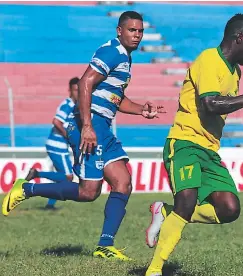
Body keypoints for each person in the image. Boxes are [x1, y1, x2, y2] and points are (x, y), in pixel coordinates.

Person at [2, 11, 165, 261]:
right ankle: (28, 188)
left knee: (123, 182)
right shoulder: (112, 51)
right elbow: (84, 83)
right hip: (90, 125)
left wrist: (141, 109)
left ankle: (104, 245)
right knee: (89, 191)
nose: (137, 35)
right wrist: (87, 125)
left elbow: (115, 98)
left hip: (103, 126)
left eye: (140, 31)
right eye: (132, 30)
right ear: (119, 31)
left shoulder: (125, 57)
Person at [143, 13, 243, 276]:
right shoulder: (209, 60)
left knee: (229, 209)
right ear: (239, 38)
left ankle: (166, 213)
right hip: (184, 142)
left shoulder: (235, 72)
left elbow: (222, 105)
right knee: (187, 201)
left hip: (209, 149)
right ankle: (154, 271)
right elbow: (210, 104)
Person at [25, 77, 79, 210]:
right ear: (70, 91)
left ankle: (50, 205)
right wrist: (69, 137)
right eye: (75, 90)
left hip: (59, 145)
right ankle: (37, 174)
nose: (78, 93)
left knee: (62, 178)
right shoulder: (68, 105)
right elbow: (56, 121)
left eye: (79, 90)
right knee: (68, 177)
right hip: (57, 145)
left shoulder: (74, 106)